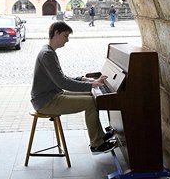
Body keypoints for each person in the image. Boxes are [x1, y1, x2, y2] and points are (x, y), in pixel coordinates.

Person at [30, 21, 116, 154]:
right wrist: (91, 84)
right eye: (65, 36)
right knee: (90, 103)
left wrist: (84, 79)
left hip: (52, 95)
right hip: (45, 101)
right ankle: (97, 145)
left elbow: (62, 77)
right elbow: (63, 83)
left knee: (92, 96)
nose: (67, 40)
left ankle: (99, 135)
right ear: (56, 33)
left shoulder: (48, 51)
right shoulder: (47, 54)